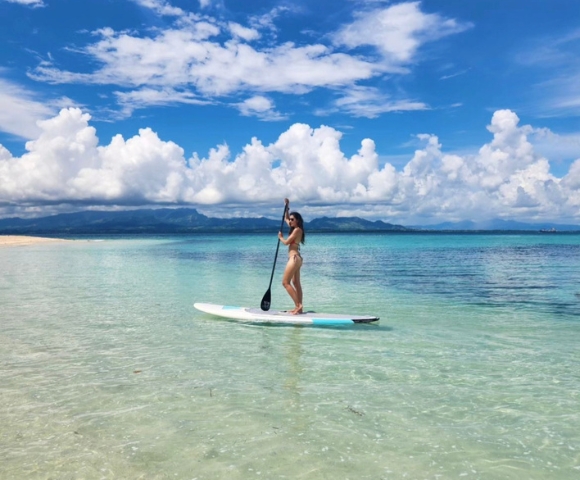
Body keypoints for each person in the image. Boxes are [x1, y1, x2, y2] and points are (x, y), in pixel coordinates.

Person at [278, 198, 305, 314]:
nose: (290, 221)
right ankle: (299, 308)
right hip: (296, 258)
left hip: (294, 259)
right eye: (291, 219)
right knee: (296, 283)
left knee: (285, 282)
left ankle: (298, 305)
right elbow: (285, 218)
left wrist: (280, 237)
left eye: (292, 219)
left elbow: (287, 242)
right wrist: (287, 207)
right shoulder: (294, 228)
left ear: (297, 221)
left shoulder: (297, 230)